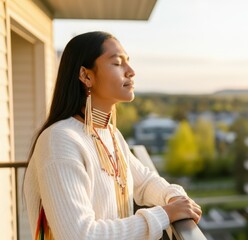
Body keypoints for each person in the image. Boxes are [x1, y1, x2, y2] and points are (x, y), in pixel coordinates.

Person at [24, 31, 202, 240]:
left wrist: (174, 197)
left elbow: (144, 182)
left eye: (128, 62)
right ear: (86, 76)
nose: (131, 72)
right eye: (118, 63)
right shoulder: (60, 140)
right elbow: (81, 235)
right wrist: (164, 214)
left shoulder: (110, 133)